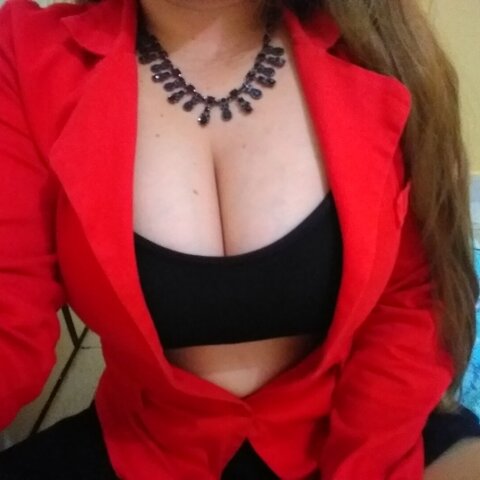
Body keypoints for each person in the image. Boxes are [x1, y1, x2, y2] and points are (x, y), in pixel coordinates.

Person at [0, 0, 479, 478]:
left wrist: (365, 468)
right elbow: (10, 311)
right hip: (144, 446)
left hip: (365, 425)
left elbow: (410, 298)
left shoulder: (376, 45)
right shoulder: (30, 55)